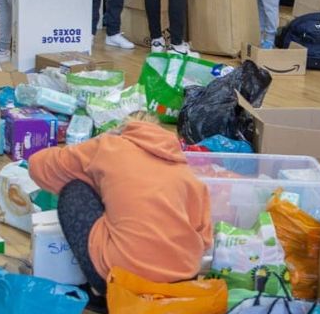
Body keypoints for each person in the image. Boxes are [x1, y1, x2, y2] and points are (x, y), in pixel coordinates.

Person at [28, 117, 213, 302]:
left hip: (121, 278)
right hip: (181, 282)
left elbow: (38, 166)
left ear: (124, 129)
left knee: (75, 191)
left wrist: (94, 149)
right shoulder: (186, 172)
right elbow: (204, 239)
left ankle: (100, 291)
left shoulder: (110, 146)